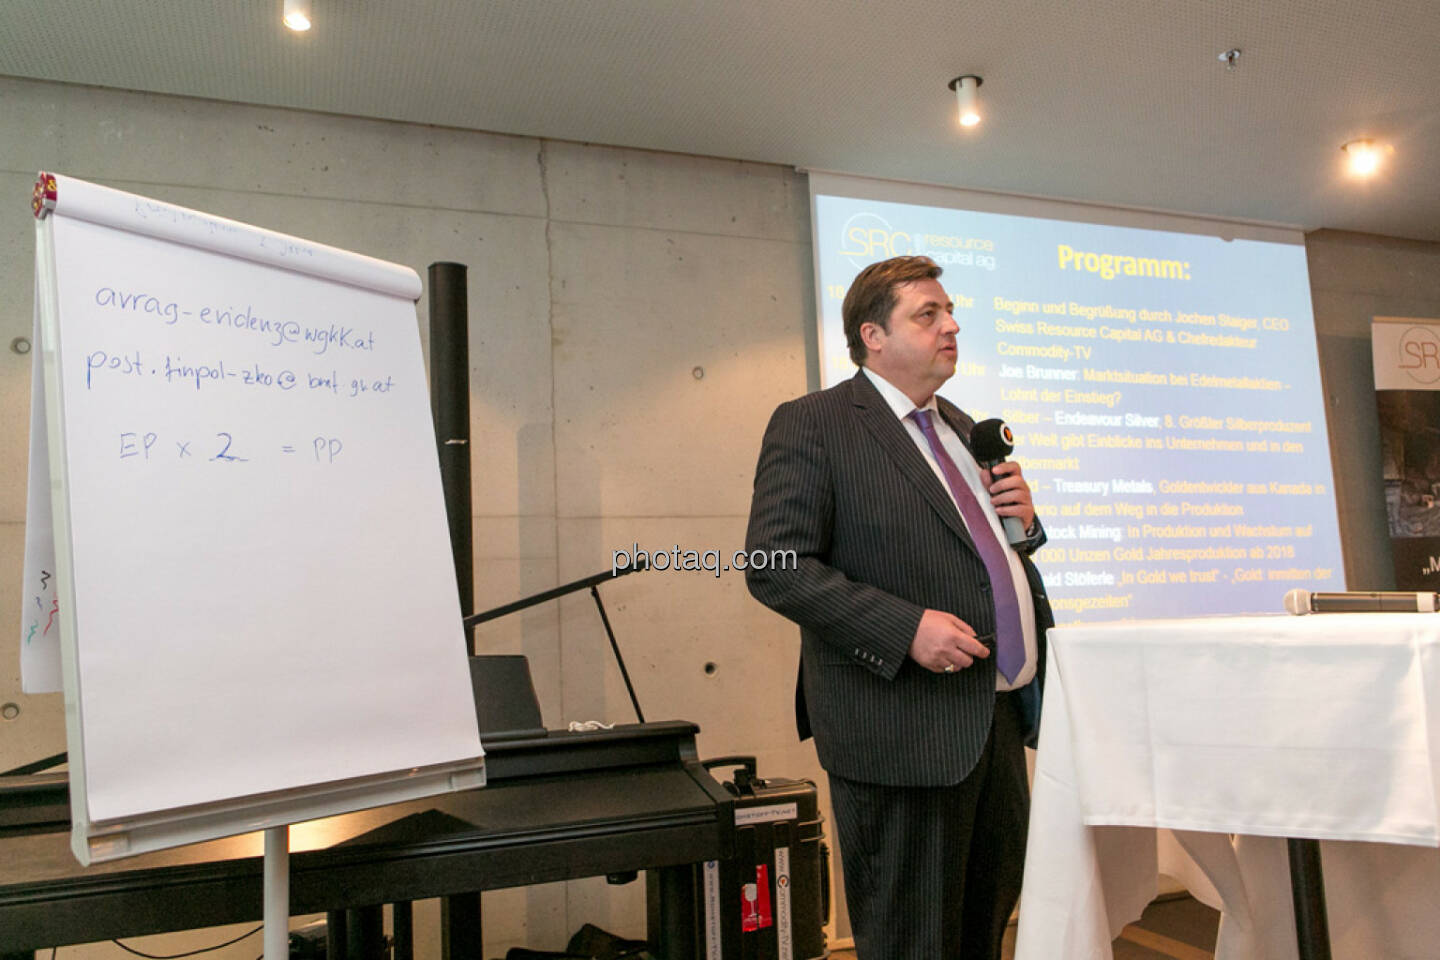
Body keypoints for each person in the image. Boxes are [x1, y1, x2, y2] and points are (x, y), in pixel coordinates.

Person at [744, 255, 1052, 959]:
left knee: (983, 928)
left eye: (950, 312)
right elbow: (773, 566)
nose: (952, 326)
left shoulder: (960, 425)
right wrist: (905, 627)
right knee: (913, 940)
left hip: (995, 720)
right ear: (873, 335)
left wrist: (1026, 527)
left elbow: (982, 557)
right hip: (901, 729)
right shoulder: (816, 423)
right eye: (928, 314)